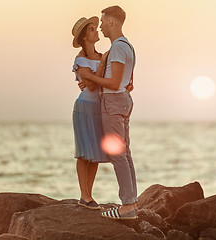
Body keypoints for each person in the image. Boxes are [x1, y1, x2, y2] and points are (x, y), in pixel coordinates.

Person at [77, 6, 138, 220]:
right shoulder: (126, 46)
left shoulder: (118, 48)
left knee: (117, 154)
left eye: (102, 22)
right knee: (125, 153)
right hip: (122, 100)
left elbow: (113, 83)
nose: (101, 26)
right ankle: (131, 202)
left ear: (111, 22)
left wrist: (90, 78)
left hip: (113, 102)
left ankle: (128, 206)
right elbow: (127, 81)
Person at [71, 16, 110, 210]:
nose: (96, 31)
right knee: (84, 152)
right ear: (85, 36)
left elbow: (110, 81)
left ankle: (89, 194)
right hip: (84, 106)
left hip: (99, 108)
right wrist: (101, 65)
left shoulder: (102, 55)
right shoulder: (80, 59)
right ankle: (83, 195)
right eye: (92, 29)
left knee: (94, 152)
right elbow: (93, 85)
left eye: (96, 28)